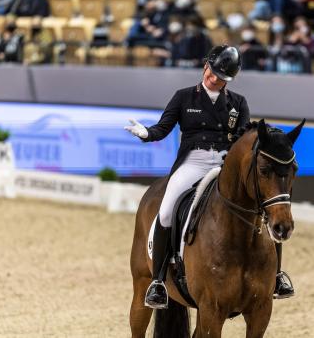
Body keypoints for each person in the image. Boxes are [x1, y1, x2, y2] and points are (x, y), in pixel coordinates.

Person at [125, 45, 295, 309]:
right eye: (212, 72)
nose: (213, 79)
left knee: (262, 208)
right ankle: (158, 281)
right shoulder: (184, 97)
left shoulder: (237, 103)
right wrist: (147, 133)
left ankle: (276, 275)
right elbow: (163, 127)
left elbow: (243, 138)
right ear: (206, 65)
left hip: (226, 164)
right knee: (167, 210)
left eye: (221, 78)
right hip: (194, 162)